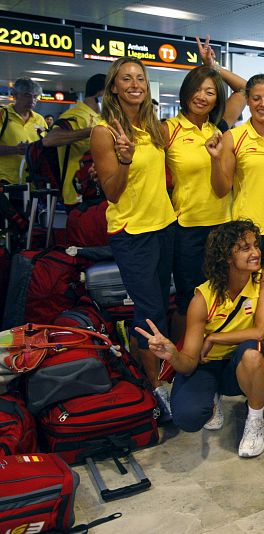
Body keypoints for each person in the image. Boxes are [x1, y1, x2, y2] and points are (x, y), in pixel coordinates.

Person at [135, 220, 264, 457]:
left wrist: (214, 338)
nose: (256, 252)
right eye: (245, 248)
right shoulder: (202, 298)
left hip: (240, 362)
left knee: (253, 354)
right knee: (187, 418)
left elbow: (262, 331)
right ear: (227, 257)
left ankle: (255, 421)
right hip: (208, 364)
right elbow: (189, 362)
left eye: (255, 245)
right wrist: (172, 355)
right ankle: (211, 396)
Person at [90, 57, 176, 418]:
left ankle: (163, 374)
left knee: (161, 307)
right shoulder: (104, 132)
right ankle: (155, 388)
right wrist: (124, 160)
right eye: (126, 79)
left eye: (140, 78)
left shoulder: (153, 127)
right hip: (132, 232)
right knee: (150, 310)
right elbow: (112, 192)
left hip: (164, 226)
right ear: (114, 87)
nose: (135, 84)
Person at [164, 37, 247, 341]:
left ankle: (213, 351)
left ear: (216, 99)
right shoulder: (168, 129)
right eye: (197, 90)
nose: (202, 96)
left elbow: (245, 89)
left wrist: (213, 67)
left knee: (221, 296)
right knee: (189, 300)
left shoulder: (219, 129)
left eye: (210, 92)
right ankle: (181, 357)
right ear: (186, 93)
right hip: (187, 228)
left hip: (222, 226)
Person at [207, 74, 264, 278]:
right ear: (248, 101)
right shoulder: (233, 137)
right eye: (256, 98)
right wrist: (215, 160)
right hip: (247, 233)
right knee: (250, 291)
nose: (263, 104)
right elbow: (221, 190)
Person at [42, 73, 105, 206]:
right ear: (101, 94)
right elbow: (49, 140)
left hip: (98, 190)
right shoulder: (76, 115)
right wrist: (92, 131)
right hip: (79, 194)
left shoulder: (100, 118)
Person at [0, 78, 47, 184]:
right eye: (27, 95)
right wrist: (15, 150)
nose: (32, 100)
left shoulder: (39, 120)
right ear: (15, 95)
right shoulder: (2, 115)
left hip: (33, 182)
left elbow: (45, 143)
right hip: (6, 180)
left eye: (35, 96)